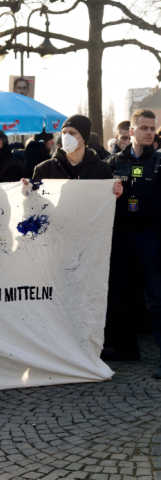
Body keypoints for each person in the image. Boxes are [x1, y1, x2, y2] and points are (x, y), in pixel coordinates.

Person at [103, 109, 161, 377]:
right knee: (122, 293)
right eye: (144, 128)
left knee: (156, 297)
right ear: (132, 131)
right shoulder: (114, 162)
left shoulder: (160, 162)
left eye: (153, 128)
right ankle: (126, 348)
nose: (150, 132)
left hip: (152, 236)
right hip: (122, 235)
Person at [32, 115, 114, 181]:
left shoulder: (101, 168)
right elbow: (36, 199)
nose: (66, 137)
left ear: (84, 138)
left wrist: (113, 194)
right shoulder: (45, 169)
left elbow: (104, 198)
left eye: (72, 133)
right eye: (64, 133)